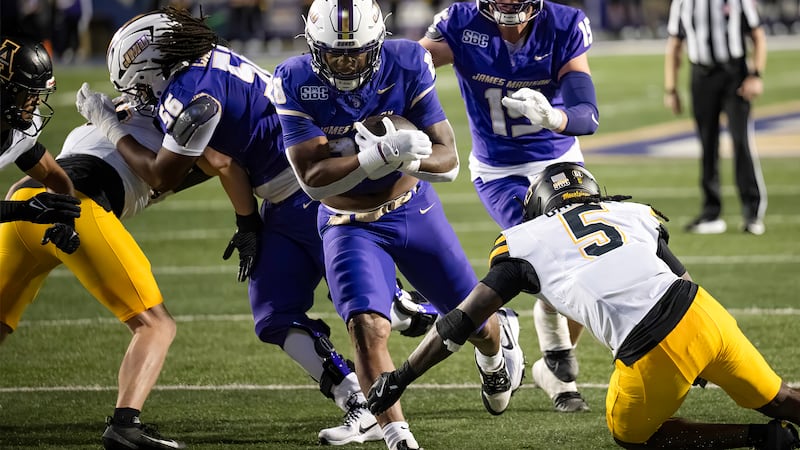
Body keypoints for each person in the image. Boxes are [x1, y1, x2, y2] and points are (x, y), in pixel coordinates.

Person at [77, 7, 438, 447]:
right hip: (284, 198)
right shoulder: (203, 63)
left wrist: (110, 126)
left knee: (371, 311)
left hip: (309, 192)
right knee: (273, 312)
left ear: (155, 66)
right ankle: (357, 396)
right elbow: (218, 158)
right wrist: (247, 219)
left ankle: (463, 316)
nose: (138, 93)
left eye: (138, 82)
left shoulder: (191, 92)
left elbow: (165, 173)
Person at [367, 162, 800, 449]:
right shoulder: (630, 214)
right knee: (779, 397)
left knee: (631, 437)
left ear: (538, 208)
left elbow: (460, 322)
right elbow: (682, 279)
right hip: (705, 313)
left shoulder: (525, 242)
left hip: (652, 347)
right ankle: (773, 424)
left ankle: (761, 439)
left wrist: (402, 376)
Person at [272, 1, 525, 448]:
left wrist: (413, 155)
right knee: (367, 326)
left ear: (378, 43)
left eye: (357, 52)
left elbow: (447, 162)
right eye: (334, 53)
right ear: (313, 47)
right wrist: (376, 157)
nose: (346, 63)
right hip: (347, 222)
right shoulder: (293, 79)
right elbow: (312, 182)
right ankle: (396, 436)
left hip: (411, 208)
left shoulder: (407, 61)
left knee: (477, 324)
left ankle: (495, 351)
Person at [418, 0, 599, 412]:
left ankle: (551, 370)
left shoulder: (563, 24)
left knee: (586, 259)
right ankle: (552, 344)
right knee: (546, 247)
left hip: (560, 160)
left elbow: (587, 115)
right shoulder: (461, 23)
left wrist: (553, 118)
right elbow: (408, 69)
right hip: (499, 170)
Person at [1, 98, 207, 449]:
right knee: (156, 324)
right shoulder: (177, 129)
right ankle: (126, 426)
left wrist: (28, 213)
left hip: (27, 208)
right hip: (80, 207)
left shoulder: (91, 124)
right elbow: (213, 163)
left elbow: (43, 176)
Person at [664, 0, 768, 235]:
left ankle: (752, 212)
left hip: (734, 74)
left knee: (741, 141)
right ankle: (711, 212)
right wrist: (671, 89)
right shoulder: (683, 2)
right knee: (707, 142)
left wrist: (756, 75)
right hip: (701, 74)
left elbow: (758, 35)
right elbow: (674, 44)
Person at [1, 35, 81, 252]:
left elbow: (55, 178)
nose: (35, 101)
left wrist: (65, 223)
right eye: (29, 93)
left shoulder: (19, 132)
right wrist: (23, 210)